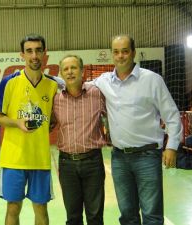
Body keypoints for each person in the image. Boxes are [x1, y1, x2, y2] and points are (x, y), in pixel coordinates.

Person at [91, 34, 182, 225]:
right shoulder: (104, 81)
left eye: (125, 51)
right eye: (116, 52)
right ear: (111, 54)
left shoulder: (152, 80)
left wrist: (172, 147)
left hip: (147, 156)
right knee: (127, 215)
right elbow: (76, 85)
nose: (120, 56)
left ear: (133, 52)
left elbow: (172, 116)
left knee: (152, 214)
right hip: (119, 158)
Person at [0, 33, 58, 225]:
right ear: (22, 55)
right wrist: (17, 123)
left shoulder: (53, 85)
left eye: (38, 50)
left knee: (41, 209)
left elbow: (55, 116)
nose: (34, 55)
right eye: (29, 51)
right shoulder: (9, 82)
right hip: (14, 158)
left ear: (45, 53)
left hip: (40, 159)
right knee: (13, 207)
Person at [52, 55, 107, 225]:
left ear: (82, 71)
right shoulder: (56, 99)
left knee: (95, 217)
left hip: (93, 162)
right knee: (73, 217)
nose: (70, 72)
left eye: (74, 68)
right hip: (67, 164)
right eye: (66, 69)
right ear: (61, 73)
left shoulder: (97, 94)